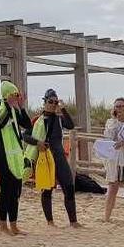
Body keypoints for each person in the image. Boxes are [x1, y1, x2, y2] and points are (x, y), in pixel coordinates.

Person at [28, 89, 80, 227]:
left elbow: (70, 125)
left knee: (69, 186)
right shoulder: (37, 120)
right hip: (45, 157)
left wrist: (63, 109)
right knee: (47, 188)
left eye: (55, 102)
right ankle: (50, 221)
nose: (52, 104)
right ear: (44, 102)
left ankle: (73, 222)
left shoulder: (59, 119)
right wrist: (37, 143)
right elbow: (25, 135)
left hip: (59, 156)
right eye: (50, 101)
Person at [0, 81, 32, 235]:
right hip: (1, 154)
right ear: (7, 95)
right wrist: (8, 107)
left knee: (16, 191)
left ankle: (14, 225)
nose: (16, 97)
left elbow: (27, 125)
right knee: (5, 190)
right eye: (14, 94)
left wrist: (21, 107)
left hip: (16, 155)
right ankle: (2, 225)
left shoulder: (15, 110)